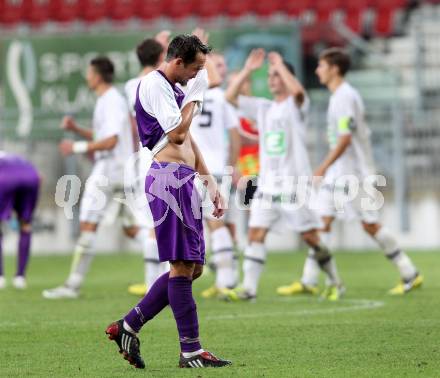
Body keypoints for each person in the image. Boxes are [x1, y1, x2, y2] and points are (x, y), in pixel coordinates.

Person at [105, 34, 231, 369]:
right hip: (168, 181)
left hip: (185, 180)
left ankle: (128, 325)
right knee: (181, 267)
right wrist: (196, 97)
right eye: (196, 68)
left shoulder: (176, 90)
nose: (196, 75)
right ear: (177, 61)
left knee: (194, 267)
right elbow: (176, 134)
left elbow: (187, 140)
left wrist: (210, 182)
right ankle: (191, 350)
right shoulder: (154, 84)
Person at [225, 49, 344, 301]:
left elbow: (299, 92)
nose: (271, 79)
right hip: (268, 186)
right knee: (255, 233)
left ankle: (335, 281)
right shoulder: (263, 107)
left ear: (288, 78)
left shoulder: (296, 105)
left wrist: (282, 66)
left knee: (310, 238)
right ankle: (249, 288)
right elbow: (229, 96)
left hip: (293, 186)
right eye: (269, 75)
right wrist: (247, 69)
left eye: (276, 75)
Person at [309, 47, 422, 295]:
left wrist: (322, 167)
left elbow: (345, 138)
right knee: (321, 222)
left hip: (354, 173)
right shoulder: (338, 95)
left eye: (322, 65)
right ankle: (319, 282)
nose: (318, 70)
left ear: (334, 69)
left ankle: (408, 272)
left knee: (370, 225)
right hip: (340, 173)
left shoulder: (345, 96)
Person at [42, 57, 141, 299]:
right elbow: (104, 134)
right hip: (121, 172)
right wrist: (77, 129)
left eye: (89, 73)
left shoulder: (111, 101)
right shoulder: (110, 101)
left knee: (88, 225)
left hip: (109, 171)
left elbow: (111, 140)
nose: (87, 77)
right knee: (131, 229)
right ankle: (173, 262)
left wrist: (76, 147)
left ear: (97, 76)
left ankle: (72, 285)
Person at [190, 52, 242, 299]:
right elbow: (235, 135)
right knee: (216, 222)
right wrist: (232, 165)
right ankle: (226, 276)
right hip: (218, 168)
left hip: (199, 169)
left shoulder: (192, 97)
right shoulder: (221, 98)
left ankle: (227, 279)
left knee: (216, 223)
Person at [124, 31, 171, 296]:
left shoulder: (131, 85)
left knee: (153, 222)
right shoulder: (159, 82)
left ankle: (156, 281)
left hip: (142, 157)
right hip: (160, 154)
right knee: (160, 221)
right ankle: (162, 282)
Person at [0, 152, 40, 289]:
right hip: (31, 176)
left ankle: (0, 277)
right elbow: (40, 176)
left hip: (5, 178)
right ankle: (20, 278)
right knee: (25, 225)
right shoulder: (13, 157)